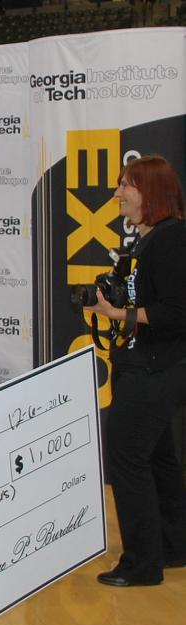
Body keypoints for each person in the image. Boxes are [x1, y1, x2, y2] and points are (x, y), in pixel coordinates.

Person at [84, 154, 186, 587]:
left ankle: (142, 563)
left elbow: (176, 311)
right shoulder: (148, 240)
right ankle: (173, 547)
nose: (118, 193)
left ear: (152, 192)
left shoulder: (170, 239)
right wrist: (116, 310)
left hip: (157, 367)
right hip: (143, 363)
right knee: (158, 458)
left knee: (126, 458)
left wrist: (121, 313)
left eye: (127, 185)